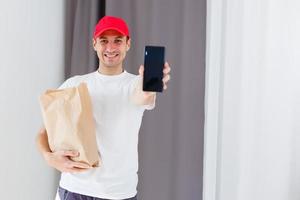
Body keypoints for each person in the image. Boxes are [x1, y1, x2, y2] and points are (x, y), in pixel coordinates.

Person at [36, 15, 171, 200]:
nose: (110, 48)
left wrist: (149, 85)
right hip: (74, 190)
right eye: (104, 41)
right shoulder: (74, 84)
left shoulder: (135, 85)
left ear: (128, 44)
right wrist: (48, 157)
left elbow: (144, 96)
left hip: (119, 194)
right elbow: (44, 132)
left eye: (118, 41)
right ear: (94, 44)